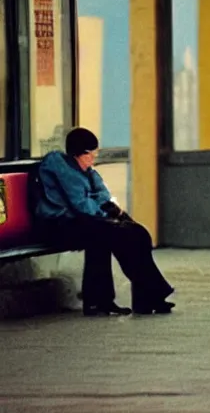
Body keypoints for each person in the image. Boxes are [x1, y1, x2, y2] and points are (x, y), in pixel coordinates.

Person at [34, 127, 175, 316]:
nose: (93, 159)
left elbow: (102, 193)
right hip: (58, 225)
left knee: (137, 233)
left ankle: (141, 299)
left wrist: (109, 209)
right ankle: (141, 296)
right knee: (107, 234)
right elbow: (80, 204)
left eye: (95, 154)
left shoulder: (86, 171)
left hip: (84, 222)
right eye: (89, 155)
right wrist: (104, 210)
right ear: (77, 154)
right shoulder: (62, 170)